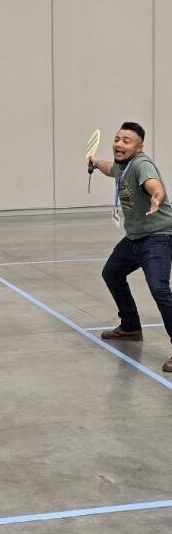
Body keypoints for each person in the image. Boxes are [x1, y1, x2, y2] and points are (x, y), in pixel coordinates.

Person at [89, 121, 172, 372]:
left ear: (139, 147)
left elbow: (154, 184)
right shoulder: (122, 166)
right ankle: (131, 327)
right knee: (112, 273)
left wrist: (157, 196)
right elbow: (110, 169)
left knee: (159, 289)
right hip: (135, 237)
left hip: (157, 236)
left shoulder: (141, 164)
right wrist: (94, 161)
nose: (119, 144)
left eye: (126, 141)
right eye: (117, 139)